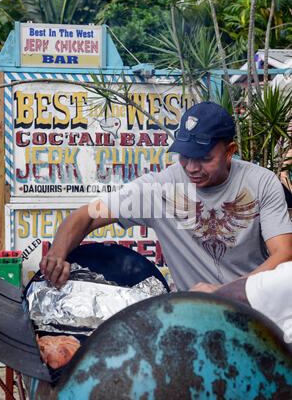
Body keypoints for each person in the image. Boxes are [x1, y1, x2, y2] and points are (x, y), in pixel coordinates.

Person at [40, 101, 292, 292]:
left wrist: (225, 293)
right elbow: (84, 216)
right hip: (195, 315)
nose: (192, 167)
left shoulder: (261, 182)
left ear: (229, 152)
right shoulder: (158, 190)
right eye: (185, 156)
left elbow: (284, 254)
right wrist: (57, 255)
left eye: (205, 158)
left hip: (254, 307)